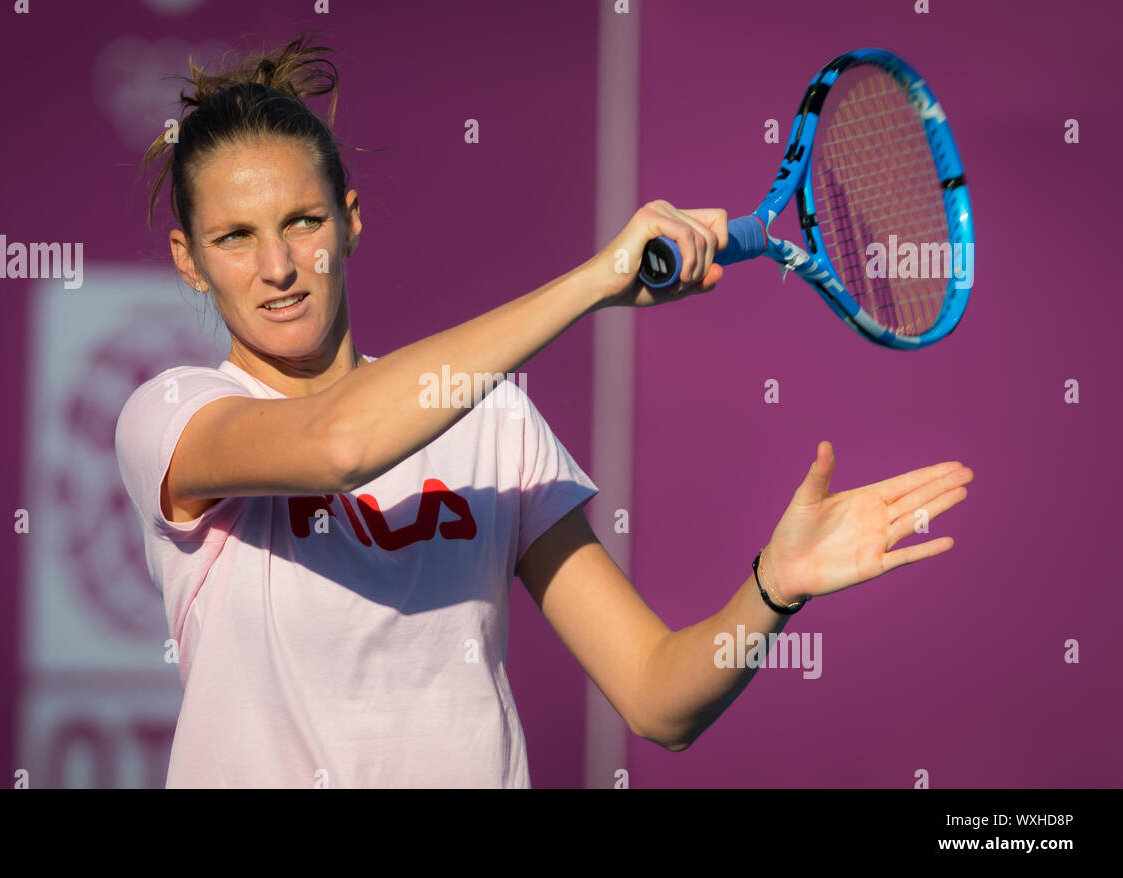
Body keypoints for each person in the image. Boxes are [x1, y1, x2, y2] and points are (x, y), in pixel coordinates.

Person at [114, 31, 974, 788]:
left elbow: (657, 698)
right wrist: (596, 282)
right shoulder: (173, 415)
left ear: (350, 222)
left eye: (302, 222)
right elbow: (342, 444)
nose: (277, 267)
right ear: (190, 261)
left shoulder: (494, 424)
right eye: (235, 237)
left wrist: (770, 592)